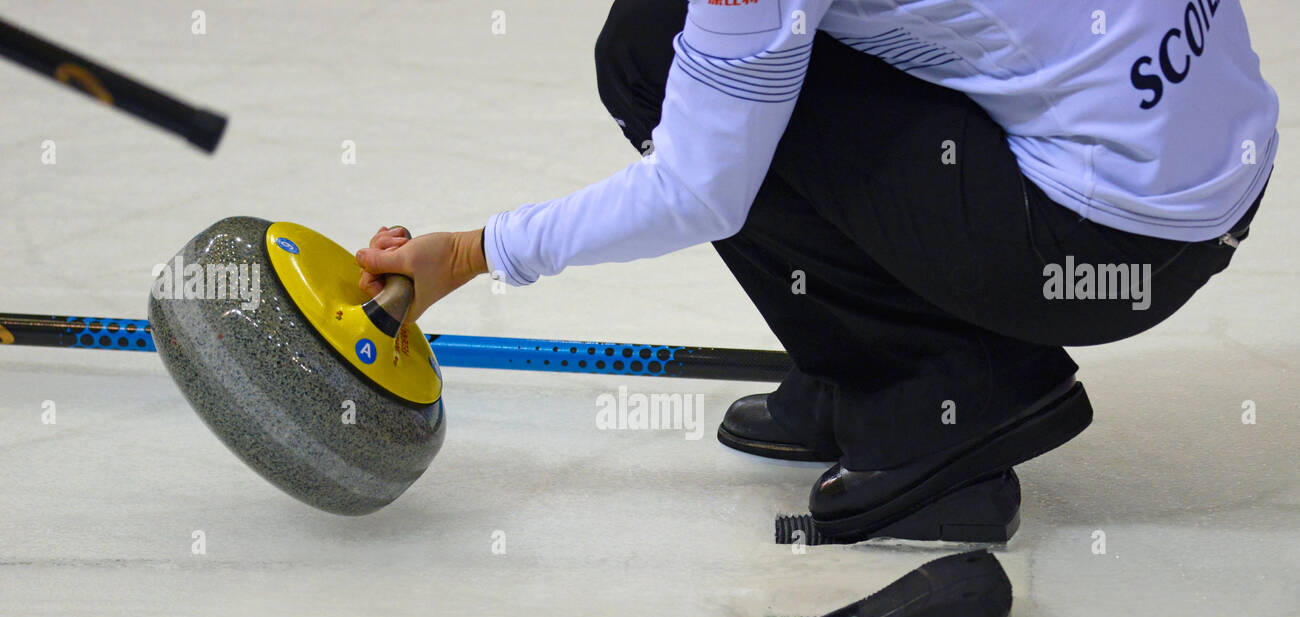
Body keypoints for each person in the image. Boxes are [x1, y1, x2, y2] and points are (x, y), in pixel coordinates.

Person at [355, 0, 1277, 542]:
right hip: (1216, 169)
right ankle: (861, 352)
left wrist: (477, 251)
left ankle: (933, 397)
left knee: (649, 56)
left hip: (1103, 240)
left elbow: (697, 187)